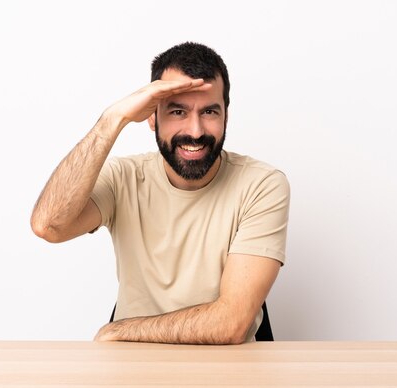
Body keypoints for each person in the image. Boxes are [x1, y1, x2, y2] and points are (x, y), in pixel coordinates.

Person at [31, 42, 290, 344]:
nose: (195, 131)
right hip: (134, 370)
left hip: (227, 372)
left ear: (226, 116)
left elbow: (231, 323)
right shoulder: (123, 178)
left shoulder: (262, 185)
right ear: (152, 116)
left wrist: (121, 330)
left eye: (209, 111)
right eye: (177, 111)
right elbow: (48, 225)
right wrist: (113, 119)